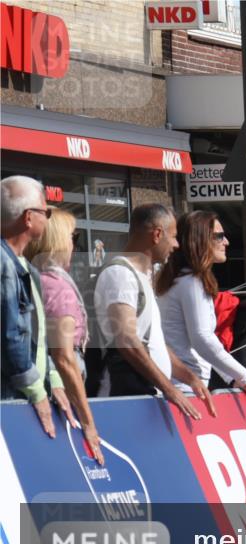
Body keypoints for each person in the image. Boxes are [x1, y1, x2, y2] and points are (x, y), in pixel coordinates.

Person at [93, 204, 214, 420]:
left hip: (144, 397)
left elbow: (152, 343)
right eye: (174, 237)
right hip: (125, 401)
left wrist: (189, 378)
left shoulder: (139, 276)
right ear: (157, 234)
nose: (176, 245)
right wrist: (170, 389)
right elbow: (127, 340)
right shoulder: (120, 275)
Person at [155, 210, 246, 403]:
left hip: (184, 384)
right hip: (184, 387)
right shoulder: (191, 282)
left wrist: (234, 378)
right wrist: (244, 377)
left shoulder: (183, 279)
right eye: (219, 236)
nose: (226, 242)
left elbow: (202, 341)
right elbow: (203, 339)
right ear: (199, 239)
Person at [24, 206, 104, 463]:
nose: (74, 245)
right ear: (58, 240)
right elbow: (64, 357)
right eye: (72, 237)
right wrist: (89, 423)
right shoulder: (56, 285)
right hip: (60, 386)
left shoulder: (36, 278)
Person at [1, 175, 67, 439]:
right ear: (28, 217)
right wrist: (37, 392)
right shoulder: (5, 265)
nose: (48, 219)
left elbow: (37, 337)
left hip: (24, 394)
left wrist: (53, 380)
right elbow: (10, 335)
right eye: (45, 212)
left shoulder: (25, 268)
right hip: (13, 399)